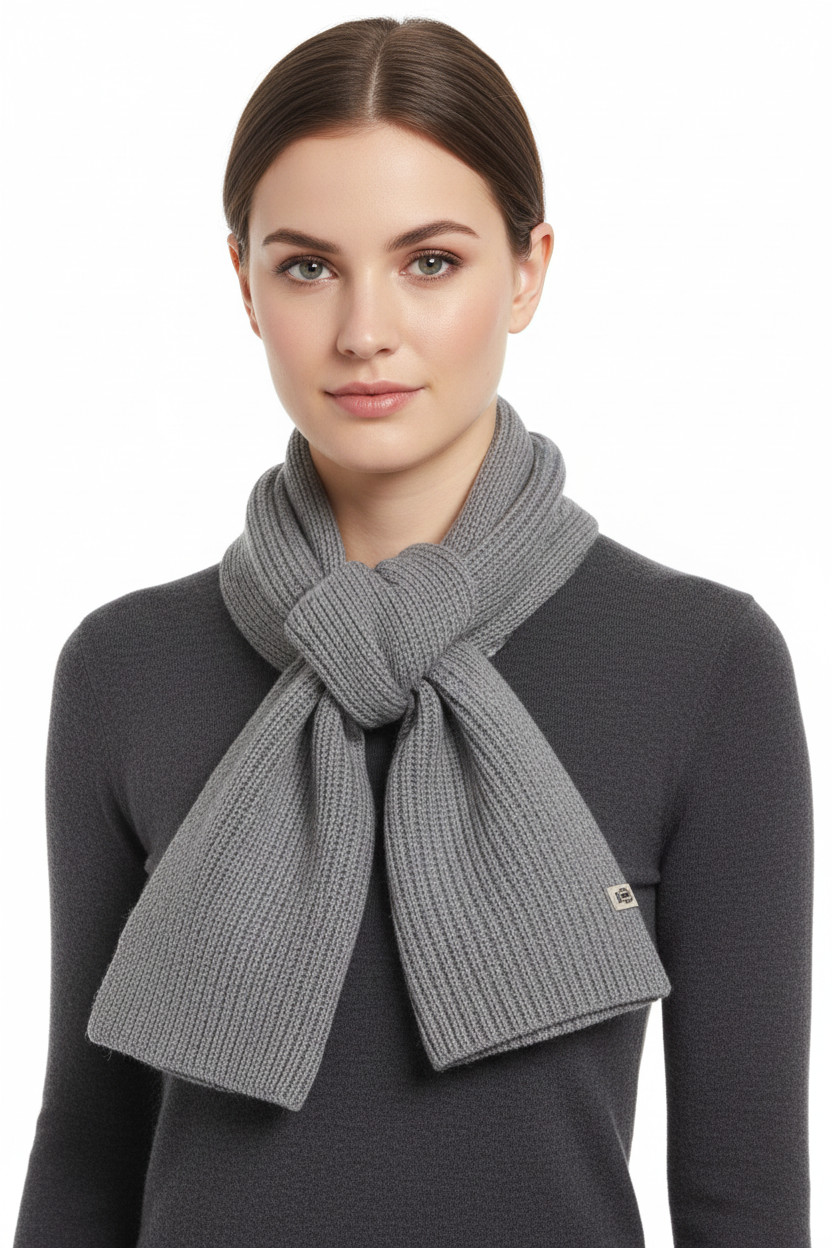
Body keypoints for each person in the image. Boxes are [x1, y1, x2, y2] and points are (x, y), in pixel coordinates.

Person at [12, 15, 813, 1248]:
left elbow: (742, 1195)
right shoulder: (126, 668)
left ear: (528, 270)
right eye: (307, 267)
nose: (363, 330)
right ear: (243, 283)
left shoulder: (701, 664)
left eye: (429, 261)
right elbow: (86, 1153)